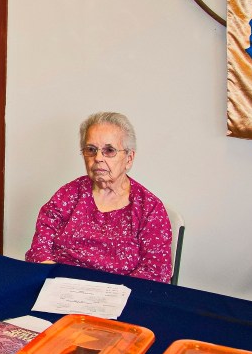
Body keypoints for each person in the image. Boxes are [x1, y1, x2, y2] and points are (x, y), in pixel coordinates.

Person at [25, 111, 172, 283]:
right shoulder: (68, 195)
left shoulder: (150, 209)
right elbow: (38, 250)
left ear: (129, 158)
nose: (98, 158)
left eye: (109, 150)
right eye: (91, 150)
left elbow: (155, 273)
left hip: (120, 298)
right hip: (61, 289)